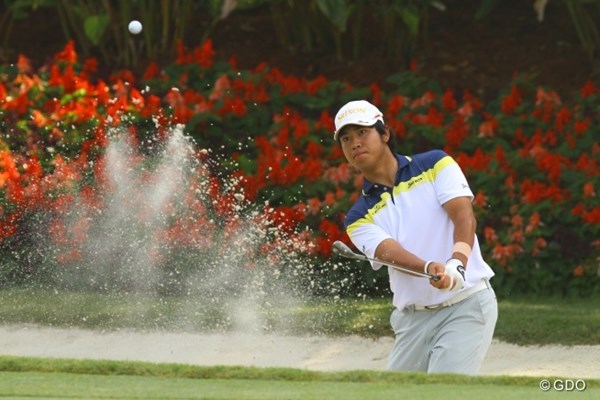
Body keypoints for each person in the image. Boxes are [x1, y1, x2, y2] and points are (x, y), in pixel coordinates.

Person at [333, 99, 498, 375]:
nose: (355, 143)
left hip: (465, 304)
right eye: (346, 139)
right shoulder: (357, 216)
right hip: (412, 321)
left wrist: (457, 262)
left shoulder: (435, 163)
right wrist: (428, 268)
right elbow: (387, 251)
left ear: (384, 134)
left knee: (443, 393)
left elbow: (463, 215)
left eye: (363, 132)